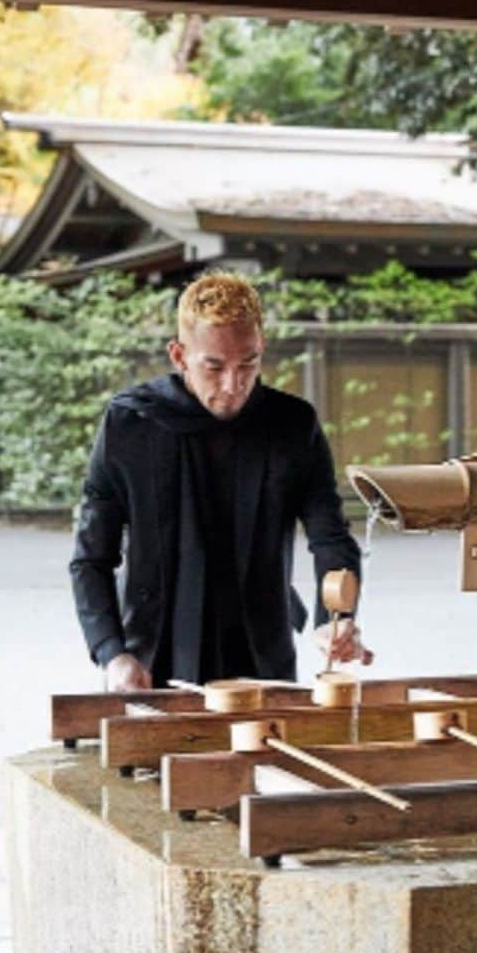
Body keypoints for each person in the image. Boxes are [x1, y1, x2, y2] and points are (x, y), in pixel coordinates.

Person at [70, 272, 368, 692]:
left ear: (262, 347)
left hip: (261, 645)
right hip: (151, 651)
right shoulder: (131, 423)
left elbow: (331, 540)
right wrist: (111, 653)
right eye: (214, 366)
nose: (233, 385)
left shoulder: (292, 426)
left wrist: (335, 622)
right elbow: (91, 559)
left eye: (248, 363)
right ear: (179, 355)